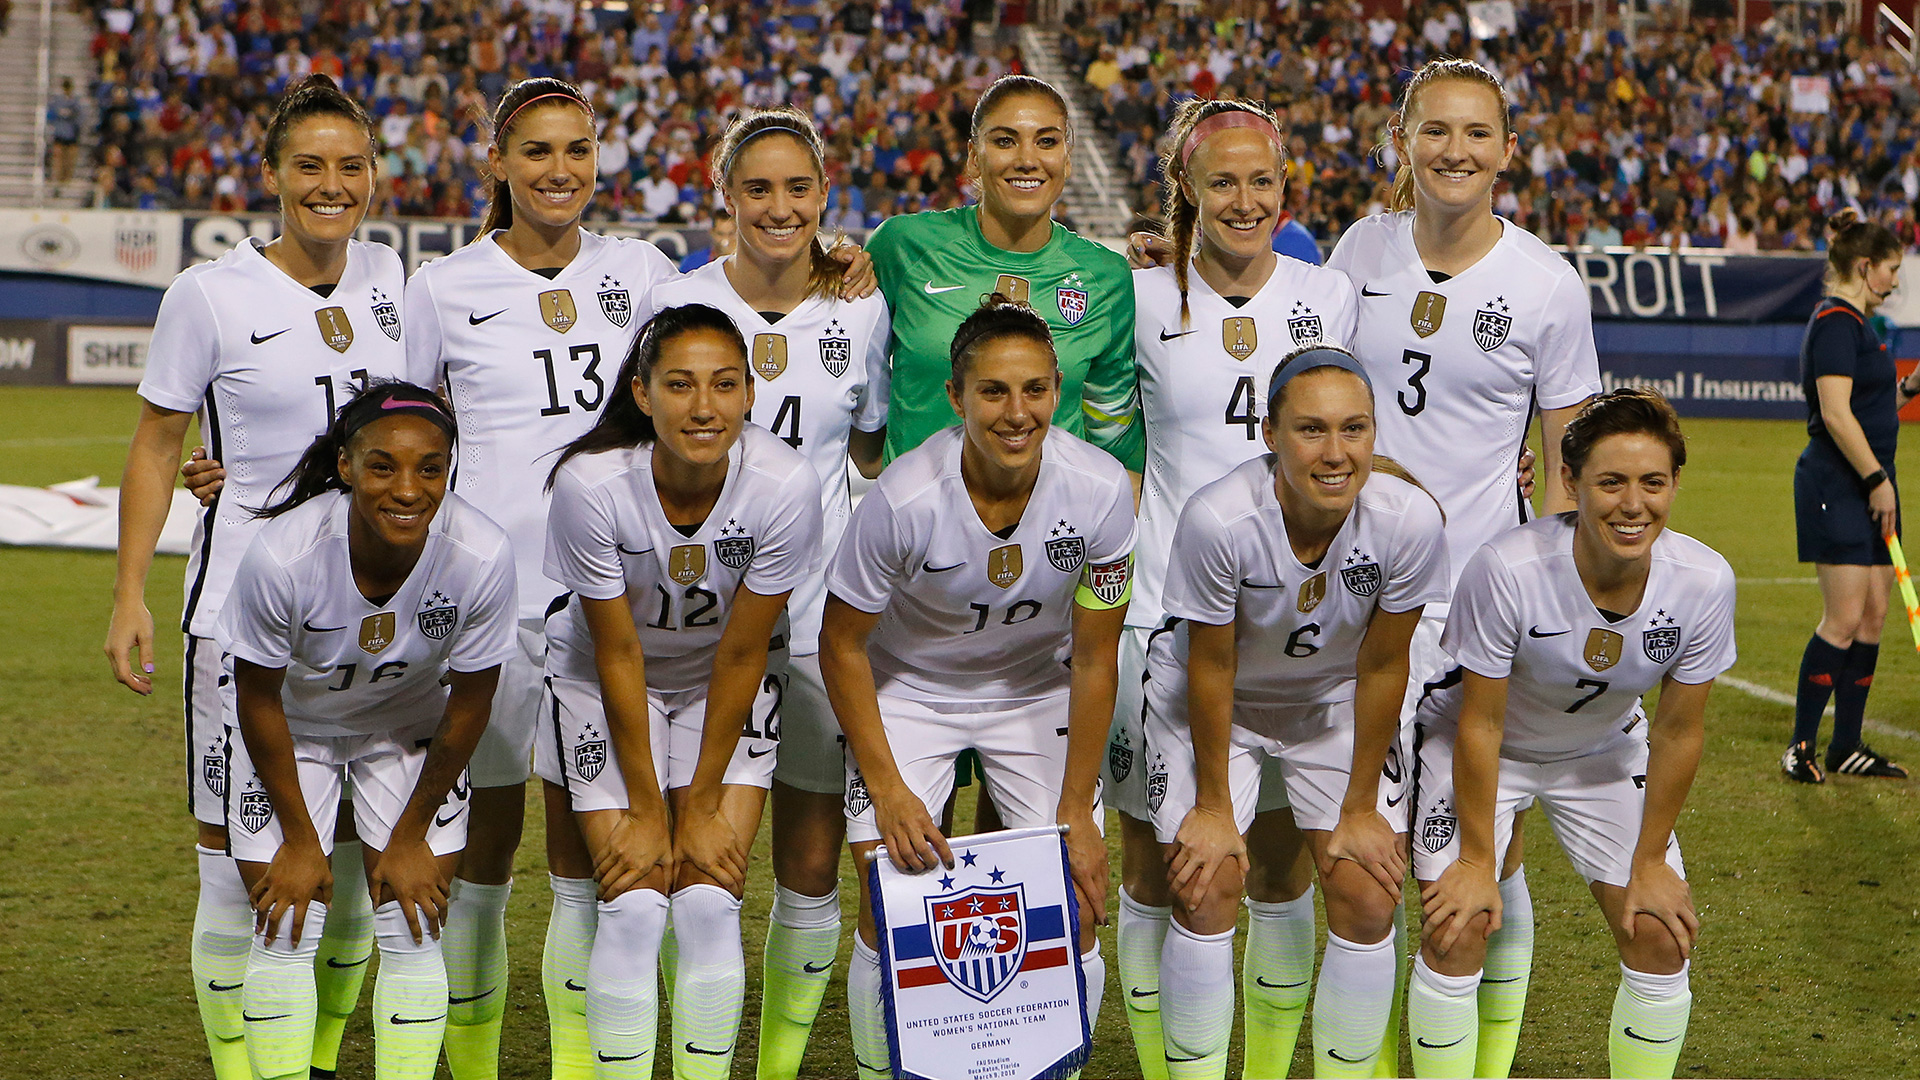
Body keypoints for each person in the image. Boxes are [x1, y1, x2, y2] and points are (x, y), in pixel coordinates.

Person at [105, 74, 405, 1080]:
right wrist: (130, 592)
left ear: (375, 176)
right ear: (270, 173)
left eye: (351, 166)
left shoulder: (397, 282)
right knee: (241, 879)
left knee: (357, 874)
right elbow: (157, 446)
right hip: (242, 618)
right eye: (310, 166)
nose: (332, 185)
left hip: (378, 623)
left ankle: (313, 1058)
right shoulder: (209, 294)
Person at [1324, 58, 1602, 1075]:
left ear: (1507, 152)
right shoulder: (1360, 250)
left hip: (1483, 617)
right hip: (1358, 610)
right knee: (1356, 871)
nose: (1455, 151)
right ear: (1404, 140)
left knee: (1483, 863)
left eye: (1477, 134)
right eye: (1435, 130)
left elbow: (1568, 462)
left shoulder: (1544, 285)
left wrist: (1555, 605)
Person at [401, 78, 680, 1078]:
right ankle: (470, 1065)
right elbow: (388, 427)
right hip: (484, 608)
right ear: (499, 164)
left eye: (578, 149)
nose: (560, 171)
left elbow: (708, 379)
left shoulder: (643, 271)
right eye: (537, 153)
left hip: (610, 610)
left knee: (584, 865)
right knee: (476, 857)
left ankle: (573, 1065)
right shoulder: (443, 286)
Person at [1111, 97, 1360, 1080]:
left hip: (1296, 627)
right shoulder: (1136, 297)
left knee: (1279, 868)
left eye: (1262, 180)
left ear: (1286, 186)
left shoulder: (1327, 295)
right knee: (1157, 866)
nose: (1245, 199)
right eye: (1222, 180)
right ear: (1184, 190)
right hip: (1164, 617)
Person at [821, 298, 1134, 1080]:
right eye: (993, 392)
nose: (1016, 412)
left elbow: (1096, 658)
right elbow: (840, 645)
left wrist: (1078, 810)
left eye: (1034, 389)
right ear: (957, 397)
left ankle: (1050, 1068)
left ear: (1058, 389)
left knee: (1079, 903)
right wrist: (889, 789)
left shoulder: (1101, 493)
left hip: (1033, 690)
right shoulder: (901, 498)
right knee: (889, 895)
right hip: (910, 689)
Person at [650, 106, 891, 1080]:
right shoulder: (676, 304)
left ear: (824, 196)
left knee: (808, 867)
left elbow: (870, 446)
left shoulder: (861, 309)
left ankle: (782, 1065)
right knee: (699, 869)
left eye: (798, 189)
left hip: (826, 629)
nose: (779, 207)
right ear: (725, 196)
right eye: (758, 188)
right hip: (708, 630)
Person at [1407, 387, 1735, 1080]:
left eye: (1652, 482)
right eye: (1610, 482)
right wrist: (1473, 859)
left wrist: (1649, 862)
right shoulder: (1508, 569)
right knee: (1457, 925)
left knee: (1660, 935)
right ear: (1570, 481)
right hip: (1487, 746)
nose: (1633, 503)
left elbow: (1677, 734)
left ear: (1676, 482)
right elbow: (1481, 720)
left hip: (1602, 752)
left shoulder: (1703, 583)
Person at [537, 303, 824, 1080]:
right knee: (631, 900)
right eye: (681, 385)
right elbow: (617, 650)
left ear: (751, 394)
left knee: (706, 898)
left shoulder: (785, 485)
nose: (704, 407)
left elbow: (740, 652)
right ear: (642, 393)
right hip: (601, 680)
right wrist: (642, 807)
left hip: (723, 680)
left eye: (725, 385)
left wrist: (696, 806)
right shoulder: (591, 484)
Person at [1147, 347, 1448, 1080]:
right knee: (1206, 880)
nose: (1337, 452)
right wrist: (1215, 806)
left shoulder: (1409, 518)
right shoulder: (1219, 519)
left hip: (1333, 698)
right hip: (1216, 699)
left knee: (1368, 891)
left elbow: (1383, 666)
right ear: (1269, 432)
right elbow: (1211, 667)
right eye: (1312, 430)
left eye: (1355, 429)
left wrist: (1358, 809)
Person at [221, 381, 518, 1080]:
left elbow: (472, 702)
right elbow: (257, 696)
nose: (408, 489)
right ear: (348, 468)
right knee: (285, 927)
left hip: (409, 728)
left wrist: (411, 836)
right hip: (293, 730)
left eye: (430, 468)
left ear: (450, 469)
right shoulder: (285, 555)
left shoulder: (481, 553)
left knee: (416, 925)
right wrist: (299, 839)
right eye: (383, 466)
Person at [866, 74, 1141, 473]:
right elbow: (853, 375)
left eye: (1047, 141)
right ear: (974, 157)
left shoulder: (1107, 277)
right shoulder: (902, 247)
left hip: (1055, 524)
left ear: (1067, 158)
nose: (1027, 159)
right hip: (920, 527)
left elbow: (1112, 428)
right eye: (1005, 140)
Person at [1784, 210, 1911, 783]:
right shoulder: (1835, 321)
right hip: (1842, 486)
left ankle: (1848, 745)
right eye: (1891, 269)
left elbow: (1869, 408)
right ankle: (1801, 746)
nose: (1896, 281)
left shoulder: (1861, 325)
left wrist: (1909, 387)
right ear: (1865, 266)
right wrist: (1875, 480)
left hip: (1870, 485)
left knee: (1874, 615)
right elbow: (1835, 415)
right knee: (1843, 617)